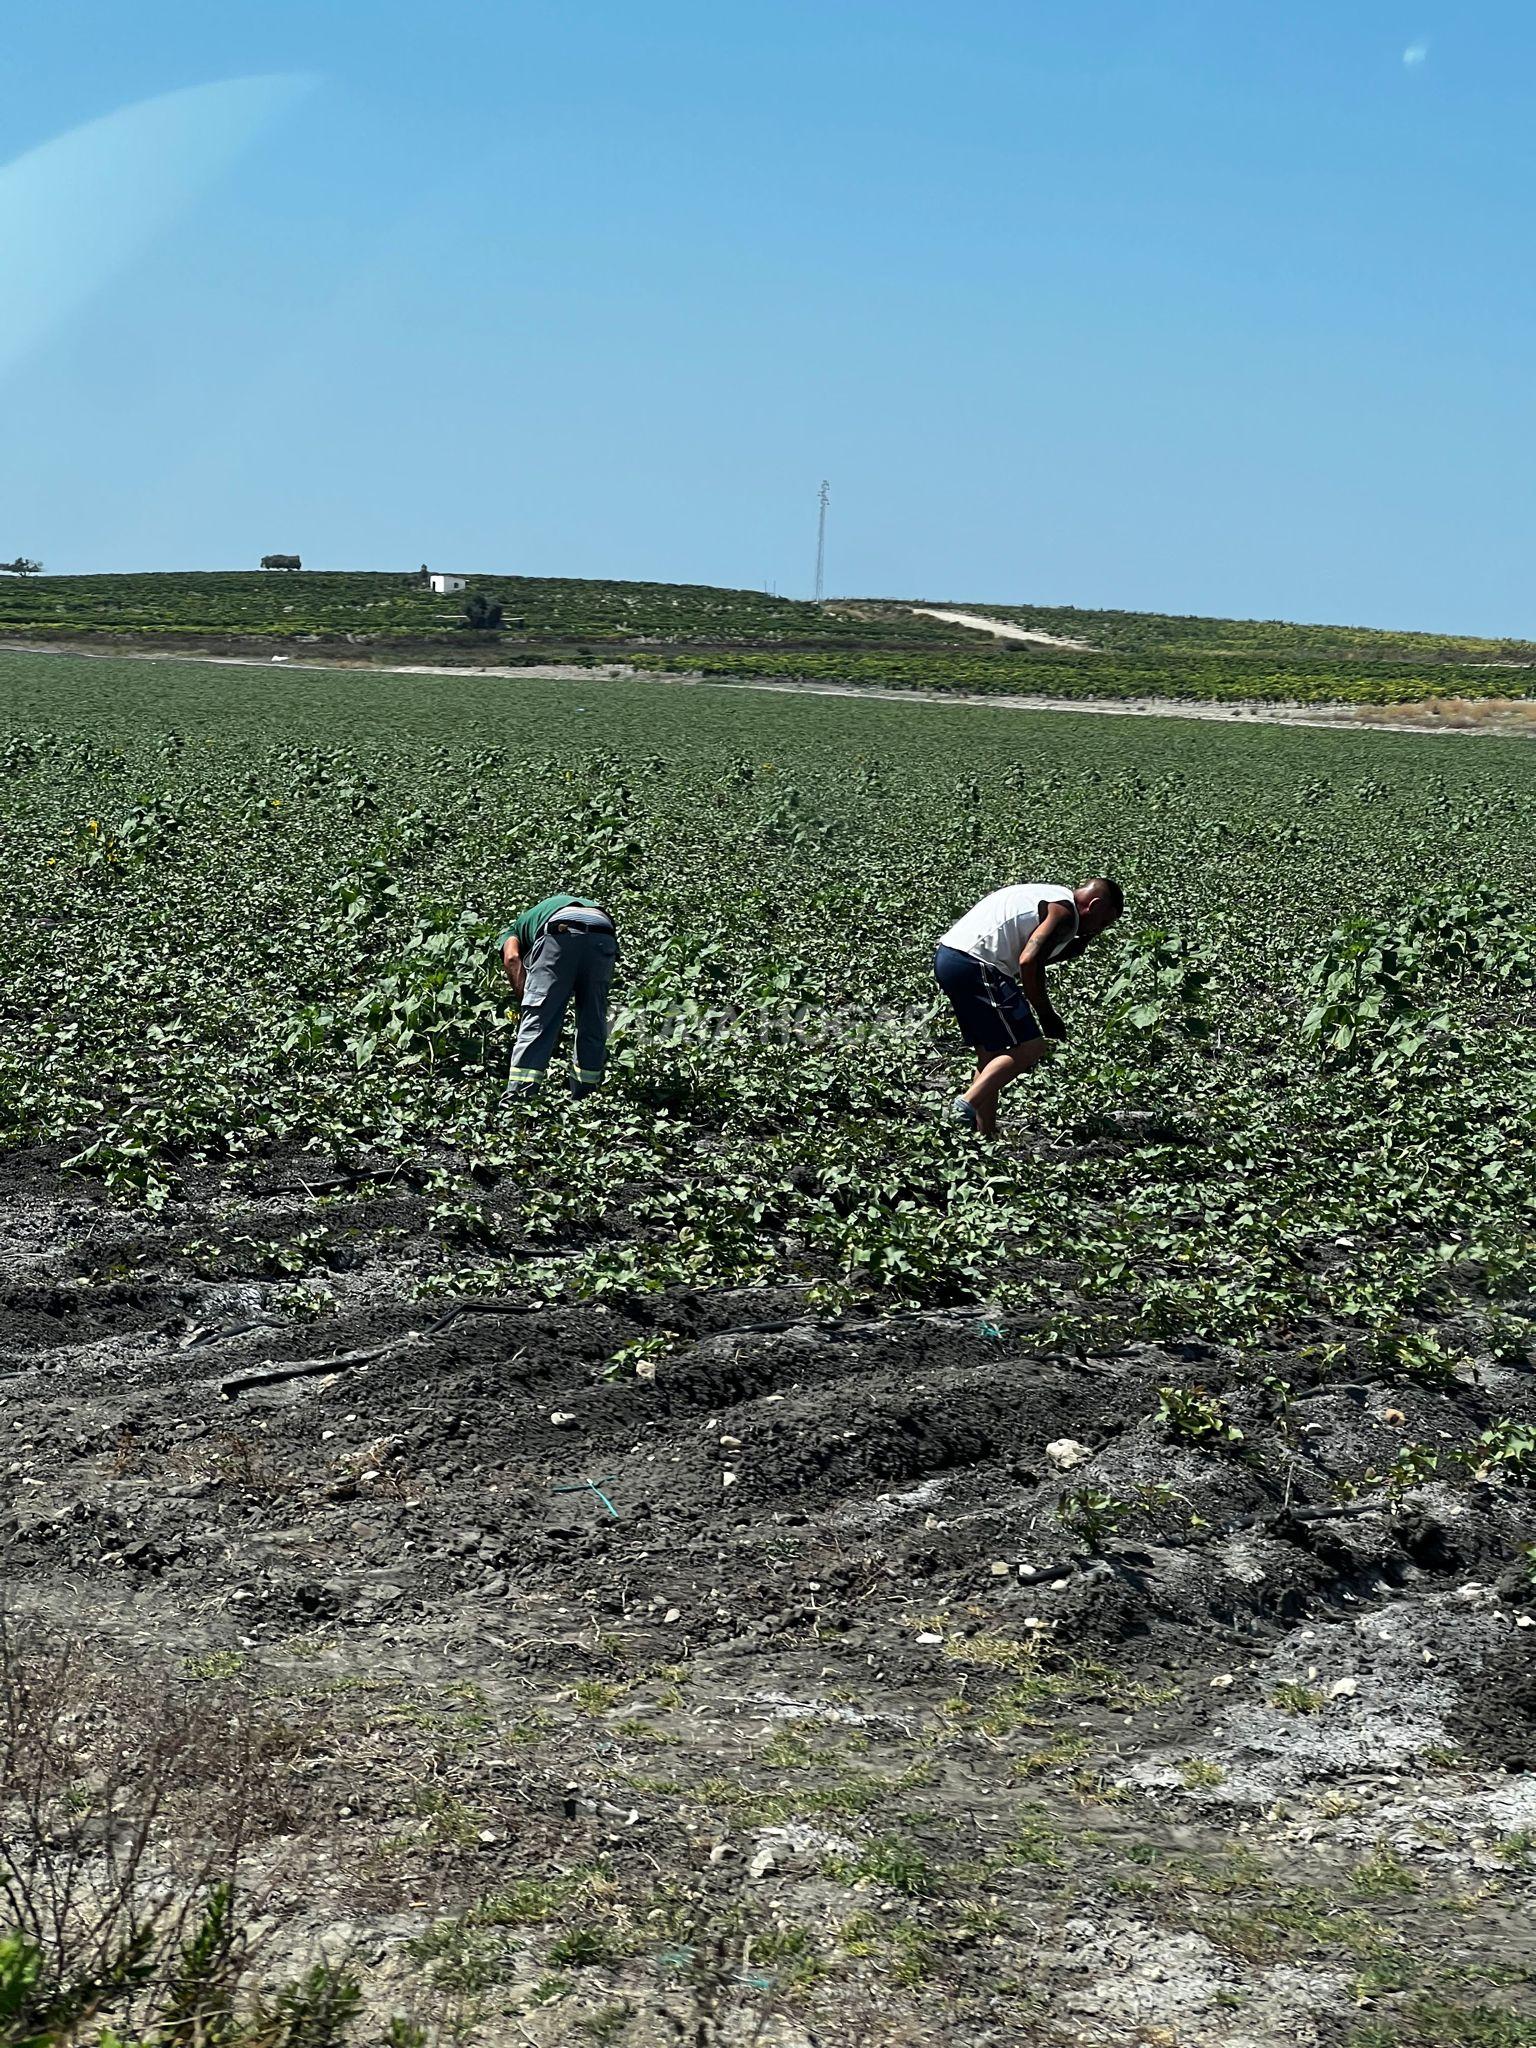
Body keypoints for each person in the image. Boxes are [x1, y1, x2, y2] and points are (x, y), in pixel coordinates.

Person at [934, 877, 1123, 1136]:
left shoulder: (1052, 895)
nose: (1098, 930)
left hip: (950, 955)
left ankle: (985, 1134)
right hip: (978, 963)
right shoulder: (1065, 913)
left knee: (992, 1056)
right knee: (1031, 1046)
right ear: (1095, 905)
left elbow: (1032, 949)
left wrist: (1072, 947)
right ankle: (963, 1106)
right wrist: (1047, 1015)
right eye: (1103, 923)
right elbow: (1028, 961)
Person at [497, 893, 618, 1105]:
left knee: (538, 1018)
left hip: (560, 929)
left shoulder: (513, 931)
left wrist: (527, 1001)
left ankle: (518, 1100)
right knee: (593, 1016)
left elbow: (512, 958)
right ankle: (587, 1097)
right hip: (604, 930)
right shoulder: (541, 913)